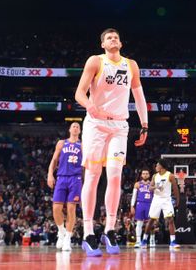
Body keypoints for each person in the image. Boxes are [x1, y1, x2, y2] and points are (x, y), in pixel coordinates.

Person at [74, 28, 149, 256]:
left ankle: (110, 229)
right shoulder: (96, 61)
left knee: (115, 177)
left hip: (119, 126)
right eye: (109, 37)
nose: (113, 39)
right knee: (94, 175)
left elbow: (139, 96)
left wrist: (145, 125)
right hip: (96, 124)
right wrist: (89, 105)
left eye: (116, 37)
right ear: (103, 45)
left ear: (121, 43)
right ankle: (88, 232)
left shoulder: (131, 65)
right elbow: (79, 93)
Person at [47, 122, 82, 251]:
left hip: (75, 178)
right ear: (69, 129)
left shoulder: (83, 145)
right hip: (61, 177)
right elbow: (54, 160)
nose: (75, 127)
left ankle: (68, 238)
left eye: (78, 126)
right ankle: (61, 232)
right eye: (73, 126)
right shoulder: (61, 143)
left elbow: (85, 165)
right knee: (56, 208)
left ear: (80, 131)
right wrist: (50, 174)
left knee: (71, 209)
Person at [141, 160, 180, 249]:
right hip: (157, 199)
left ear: (162, 166)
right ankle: (144, 240)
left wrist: (178, 200)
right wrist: (156, 187)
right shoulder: (155, 176)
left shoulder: (170, 176)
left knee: (170, 219)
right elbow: (150, 188)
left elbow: (175, 188)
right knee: (151, 220)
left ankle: (173, 241)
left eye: (157, 165)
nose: (156, 167)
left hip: (166, 199)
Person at [129, 169, 153, 247]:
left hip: (149, 204)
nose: (145, 175)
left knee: (149, 224)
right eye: (143, 173)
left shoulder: (152, 184)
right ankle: (138, 241)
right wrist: (132, 206)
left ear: (149, 175)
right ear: (141, 175)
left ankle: (145, 240)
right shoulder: (137, 184)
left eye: (146, 173)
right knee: (139, 223)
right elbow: (134, 196)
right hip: (140, 204)